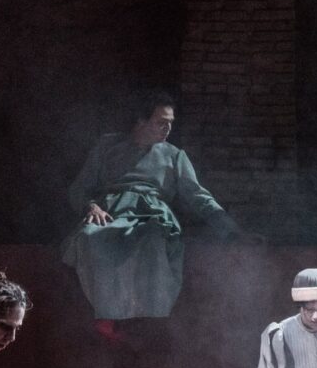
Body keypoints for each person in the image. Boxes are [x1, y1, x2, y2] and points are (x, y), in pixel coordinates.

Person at [63, 91, 239, 340]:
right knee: (90, 237)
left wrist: (231, 229)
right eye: (161, 122)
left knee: (152, 237)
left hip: (151, 214)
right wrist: (91, 206)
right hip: (110, 212)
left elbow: (199, 197)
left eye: (171, 123)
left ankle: (146, 324)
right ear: (141, 121)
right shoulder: (107, 147)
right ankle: (107, 316)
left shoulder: (174, 155)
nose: (168, 128)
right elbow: (79, 189)